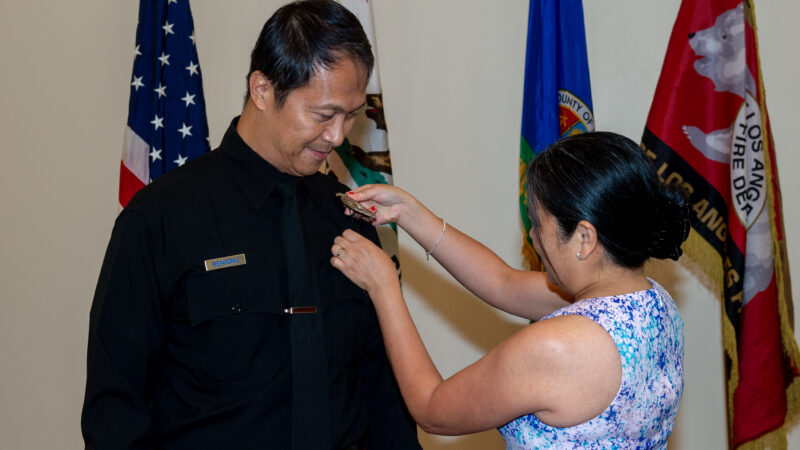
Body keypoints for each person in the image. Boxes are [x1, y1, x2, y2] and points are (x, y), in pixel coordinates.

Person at [81, 2, 420, 449]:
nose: (338, 136)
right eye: (323, 115)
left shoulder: (349, 217)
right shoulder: (159, 220)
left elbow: (381, 395)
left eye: (351, 115)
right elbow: (115, 412)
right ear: (262, 90)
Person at [330, 131, 690, 448]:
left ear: (584, 238)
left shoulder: (559, 347)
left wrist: (384, 287)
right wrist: (408, 212)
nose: (532, 237)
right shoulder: (653, 302)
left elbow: (432, 409)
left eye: (538, 224)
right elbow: (503, 283)